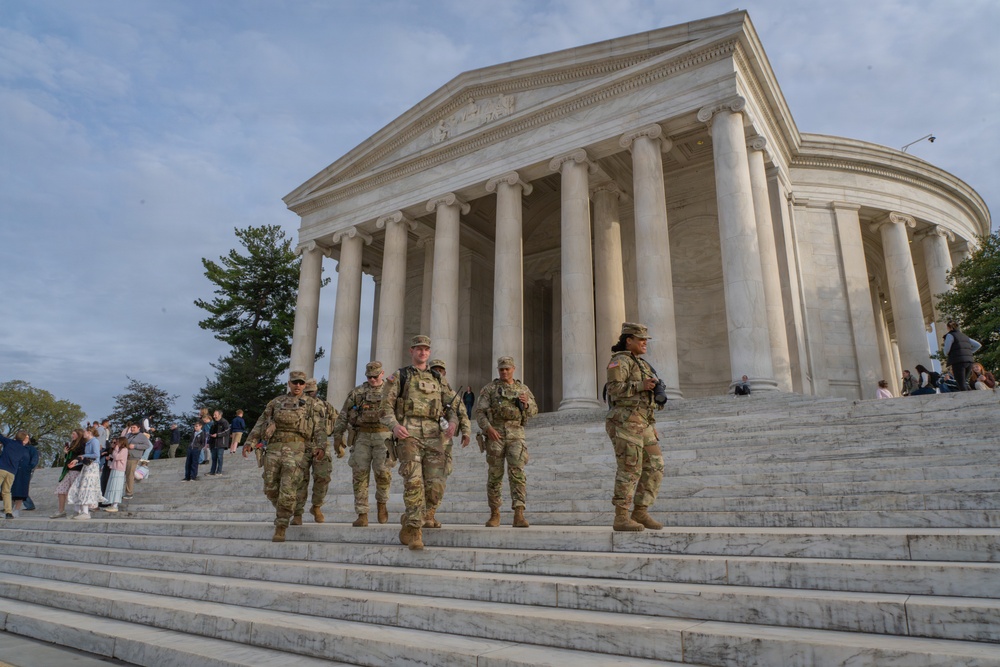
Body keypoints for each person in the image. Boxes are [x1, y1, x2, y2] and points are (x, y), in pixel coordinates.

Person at [380, 335, 461, 551]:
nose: (423, 352)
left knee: (436, 485)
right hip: (409, 435)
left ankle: (411, 518)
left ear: (429, 352)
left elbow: (452, 405)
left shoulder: (438, 378)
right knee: (414, 482)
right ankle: (415, 530)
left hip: (435, 436)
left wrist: (453, 423)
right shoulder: (401, 376)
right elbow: (384, 407)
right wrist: (395, 426)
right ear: (412, 351)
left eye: (426, 349)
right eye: (419, 349)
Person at [242, 370, 327, 543]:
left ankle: (281, 525)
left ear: (304, 385)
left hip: (297, 450)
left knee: (288, 487)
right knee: (270, 487)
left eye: (301, 383)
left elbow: (319, 428)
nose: (298, 386)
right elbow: (261, 422)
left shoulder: (312, 404)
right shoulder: (276, 402)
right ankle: (288, 508)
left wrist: (321, 446)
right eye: (295, 382)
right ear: (289, 383)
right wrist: (250, 442)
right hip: (274, 448)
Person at [605, 322, 666, 532]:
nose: (644, 343)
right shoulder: (620, 361)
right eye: (640, 339)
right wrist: (641, 385)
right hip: (624, 420)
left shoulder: (643, 364)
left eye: (645, 340)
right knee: (630, 468)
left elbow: (647, 399)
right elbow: (613, 389)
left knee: (656, 464)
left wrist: (652, 423)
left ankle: (640, 510)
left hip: (644, 422)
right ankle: (621, 516)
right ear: (628, 340)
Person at [474, 356, 538, 528]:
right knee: (495, 475)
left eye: (507, 369)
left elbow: (534, 410)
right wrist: (489, 429)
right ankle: (495, 513)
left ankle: (519, 513)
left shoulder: (522, 389)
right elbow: (479, 412)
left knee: (517, 473)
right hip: (496, 434)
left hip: (516, 434)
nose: (504, 371)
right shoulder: (490, 389)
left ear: (513, 369)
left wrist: (526, 405)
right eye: (501, 369)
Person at [332, 361, 393, 527]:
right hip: (362, 436)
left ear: (382, 374)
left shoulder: (391, 391)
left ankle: (382, 503)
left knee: (382, 472)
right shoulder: (358, 392)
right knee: (359, 474)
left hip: (384, 436)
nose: (372, 379)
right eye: (369, 377)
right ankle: (362, 513)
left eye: (375, 376)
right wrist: (338, 435)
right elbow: (344, 414)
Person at [427, 358, 471, 527]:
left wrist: (466, 432)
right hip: (423, 439)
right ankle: (418, 513)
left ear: (444, 372)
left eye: (440, 370)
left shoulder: (451, 392)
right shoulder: (422, 390)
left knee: (440, 478)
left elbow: (462, 414)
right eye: (434, 369)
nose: (438, 372)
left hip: (443, 442)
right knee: (420, 479)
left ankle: (430, 513)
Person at [292, 379, 337, 525]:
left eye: (312, 392)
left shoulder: (324, 405)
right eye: (307, 392)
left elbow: (338, 420)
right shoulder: (294, 405)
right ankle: (297, 513)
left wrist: (340, 441)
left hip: (321, 445)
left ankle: (316, 506)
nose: (310, 395)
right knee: (299, 480)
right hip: (300, 445)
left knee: (323, 477)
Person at [67, 426, 106, 519]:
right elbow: (85, 457)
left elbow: (96, 454)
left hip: (92, 467)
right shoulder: (88, 442)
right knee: (80, 486)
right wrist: (77, 461)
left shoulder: (94, 441)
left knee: (86, 487)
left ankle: (85, 512)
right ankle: (79, 511)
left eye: (85, 432)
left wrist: (82, 456)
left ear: (89, 432)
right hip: (87, 466)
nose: (83, 433)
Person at [51, 429, 86, 518]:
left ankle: (80, 511)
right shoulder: (72, 444)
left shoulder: (82, 444)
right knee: (61, 489)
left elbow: (82, 457)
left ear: (79, 435)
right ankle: (61, 510)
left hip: (77, 470)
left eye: (73, 434)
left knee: (76, 491)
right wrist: (66, 453)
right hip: (68, 470)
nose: (72, 435)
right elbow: (70, 458)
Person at [942, 320, 981, 391]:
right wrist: (968, 352)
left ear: (949, 327)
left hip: (958, 362)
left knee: (960, 383)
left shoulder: (950, 335)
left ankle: (968, 399)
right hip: (969, 361)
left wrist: (946, 353)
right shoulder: (964, 336)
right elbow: (978, 345)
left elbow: (946, 350)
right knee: (964, 382)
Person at [0, 430, 30, 519]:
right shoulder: (24, 449)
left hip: (2, 468)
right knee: (7, 492)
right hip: (12, 472)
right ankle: (8, 512)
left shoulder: (9, 442)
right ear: (24, 439)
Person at [123, 424, 152, 500]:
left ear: (139, 428)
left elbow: (147, 445)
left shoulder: (142, 436)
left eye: (134, 427)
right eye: (131, 427)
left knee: (130, 475)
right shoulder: (128, 435)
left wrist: (135, 446)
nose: (132, 429)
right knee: (126, 475)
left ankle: (129, 493)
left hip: (134, 457)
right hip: (125, 456)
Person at [12, 437, 39, 514]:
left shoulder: (31, 449)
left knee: (22, 488)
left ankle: (28, 505)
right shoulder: (17, 448)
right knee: (15, 488)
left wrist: (29, 468)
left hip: (25, 471)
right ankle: (10, 507)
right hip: (16, 470)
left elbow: (34, 459)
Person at [103, 437, 129, 512]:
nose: (116, 444)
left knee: (116, 487)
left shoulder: (124, 450)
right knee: (112, 486)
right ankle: (111, 504)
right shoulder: (119, 450)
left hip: (119, 470)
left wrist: (116, 448)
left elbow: (116, 457)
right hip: (114, 468)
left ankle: (115, 505)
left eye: (118, 442)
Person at [208, 410, 230, 476]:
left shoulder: (224, 422)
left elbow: (227, 431)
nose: (214, 416)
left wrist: (217, 435)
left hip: (221, 443)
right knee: (214, 458)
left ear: (220, 415)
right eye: (214, 415)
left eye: (215, 415)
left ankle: (219, 471)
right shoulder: (214, 423)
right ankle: (212, 471)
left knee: (220, 457)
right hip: (214, 443)